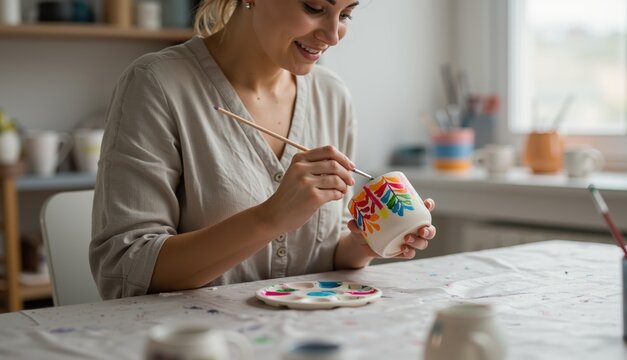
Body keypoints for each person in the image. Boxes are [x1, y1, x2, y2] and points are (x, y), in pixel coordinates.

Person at [90, 0, 436, 299]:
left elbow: (325, 250)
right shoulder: (157, 84)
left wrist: (364, 245)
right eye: (314, 8)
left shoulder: (332, 95)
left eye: (346, 14)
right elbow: (126, 270)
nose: (333, 36)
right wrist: (270, 218)